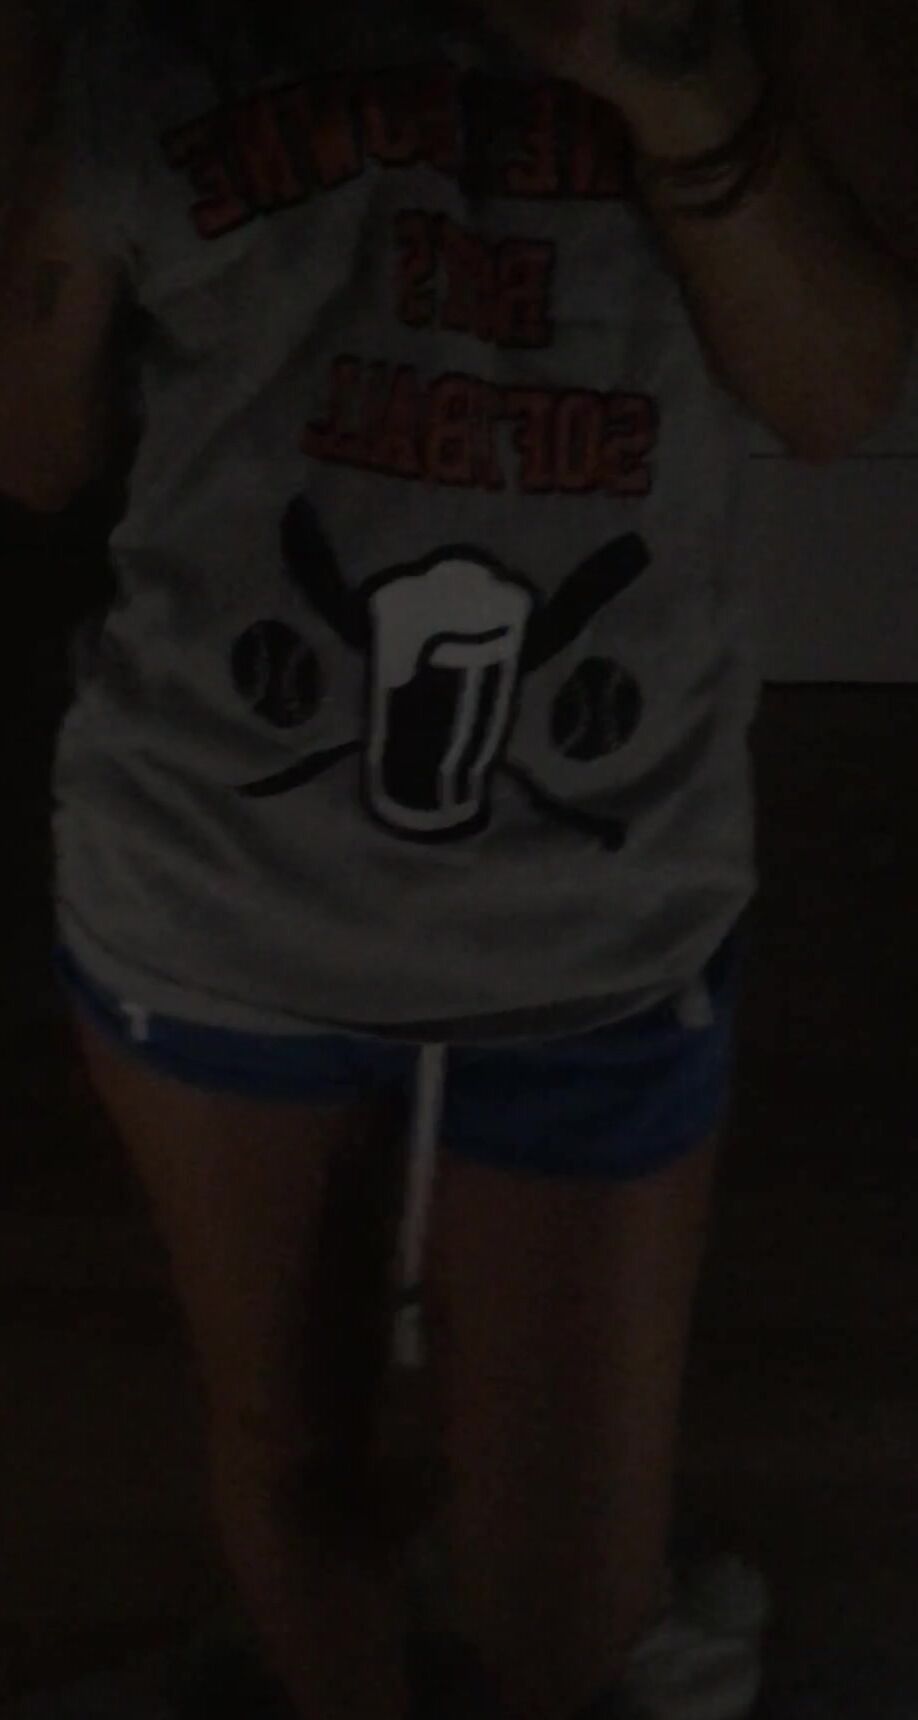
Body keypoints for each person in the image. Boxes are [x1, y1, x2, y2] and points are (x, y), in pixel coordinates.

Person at [0, 1, 912, 1718]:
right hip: (209, 888)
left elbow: (833, 392)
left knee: (565, 1613)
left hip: (593, 925)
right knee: (291, 1442)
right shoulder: (129, 26)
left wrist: (665, 77)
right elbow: (32, 448)